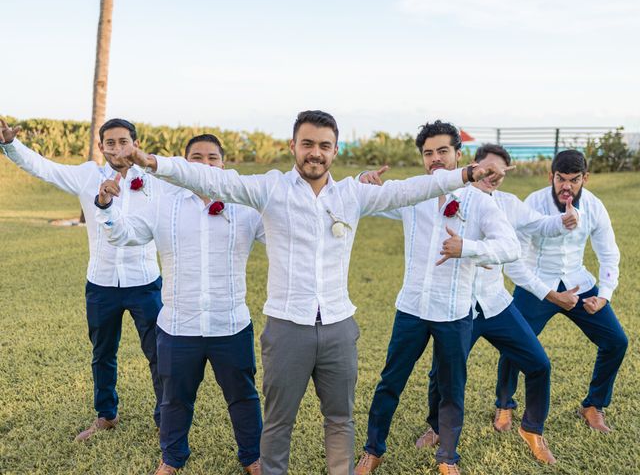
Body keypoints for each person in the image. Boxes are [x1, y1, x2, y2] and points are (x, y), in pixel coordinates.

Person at [119, 110, 508, 475]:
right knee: (277, 421)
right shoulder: (270, 188)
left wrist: (467, 173)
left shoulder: (351, 195)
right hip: (287, 325)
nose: (315, 153)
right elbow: (214, 180)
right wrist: (154, 163)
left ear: (335, 151)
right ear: (293, 147)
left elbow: (411, 190)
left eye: (324, 145)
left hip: (339, 325)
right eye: (307, 144)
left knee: (340, 419)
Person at [354, 122, 519, 475]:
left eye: (442, 151)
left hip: (455, 311)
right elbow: (367, 203)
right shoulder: (413, 195)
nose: (435, 159)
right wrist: (362, 181)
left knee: (451, 388)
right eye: (428, 153)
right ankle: (373, 450)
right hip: (411, 308)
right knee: (390, 382)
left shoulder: (480, 202)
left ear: (459, 156)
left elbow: (510, 247)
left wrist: (468, 248)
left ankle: (447, 459)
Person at [95, 134, 264, 474]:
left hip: (229, 324)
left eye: (212, 158)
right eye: (196, 157)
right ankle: (172, 458)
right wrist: (107, 207)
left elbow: (283, 235)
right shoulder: (164, 204)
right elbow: (126, 234)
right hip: (177, 326)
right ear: (184, 164)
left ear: (224, 164)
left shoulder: (246, 209)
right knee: (174, 400)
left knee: (243, 398)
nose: (204, 164)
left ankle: (253, 457)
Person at [0, 118, 163, 441]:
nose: (117, 148)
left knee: (158, 352)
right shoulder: (88, 175)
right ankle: (106, 415)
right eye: (110, 142)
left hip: (145, 282)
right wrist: (10, 145)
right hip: (101, 283)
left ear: (136, 144)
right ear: (101, 147)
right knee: (102, 353)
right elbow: (44, 168)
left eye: (123, 141)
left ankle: (166, 417)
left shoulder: (155, 180)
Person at [416, 143, 579, 466]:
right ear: (474, 167)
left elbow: (540, 224)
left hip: (495, 303)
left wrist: (565, 220)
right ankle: (436, 427)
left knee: (538, 364)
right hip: (457, 305)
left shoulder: (509, 204)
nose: (493, 176)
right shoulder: (449, 197)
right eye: (488, 169)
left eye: (501, 172)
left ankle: (532, 429)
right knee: (442, 372)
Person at [498, 149, 627, 434]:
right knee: (513, 342)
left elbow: (609, 254)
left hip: (578, 283)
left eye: (574, 179)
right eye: (560, 179)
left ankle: (594, 405)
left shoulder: (595, 206)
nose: (566, 186)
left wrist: (603, 295)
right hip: (536, 284)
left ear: (585, 178)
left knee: (617, 341)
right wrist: (548, 293)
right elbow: (513, 257)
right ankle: (505, 404)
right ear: (551, 176)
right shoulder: (532, 203)